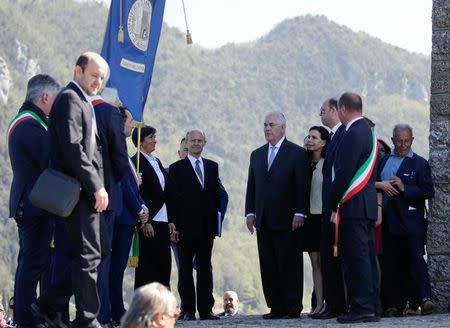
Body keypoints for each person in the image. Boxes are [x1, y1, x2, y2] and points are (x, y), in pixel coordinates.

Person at [33, 52, 110, 328]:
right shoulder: (69, 99)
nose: (98, 82)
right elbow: (73, 148)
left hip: (85, 193)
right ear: (78, 70)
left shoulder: (82, 101)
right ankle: (87, 319)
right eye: (94, 75)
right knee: (88, 255)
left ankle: (48, 305)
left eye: (102, 78)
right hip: (76, 191)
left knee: (95, 251)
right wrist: (96, 186)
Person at [7, 74, 60, 328]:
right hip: (33, 205)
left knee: (30, 262)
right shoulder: (29, 124)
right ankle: (26, 320)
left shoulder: (31, 122)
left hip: (35, 203)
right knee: (32, 264)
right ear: (46, 97)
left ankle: (27, 318)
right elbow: (48, 156)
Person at [245, 112, 307, 319]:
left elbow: (302, 187)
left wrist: (300, 212)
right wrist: (250, 212)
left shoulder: (297, 153)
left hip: (289, 220)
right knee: (268, 264)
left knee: (289, 264)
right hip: (263, 219)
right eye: (265, 125)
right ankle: (276, 306)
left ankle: (292, 306)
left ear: (283, 128)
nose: (267, 128)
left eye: (271, 125)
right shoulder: (257, 154)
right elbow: (252, 186)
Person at [330, 92, 379, 324]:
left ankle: (361, 307)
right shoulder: (368, 131)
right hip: (366, 205)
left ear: (342, 109)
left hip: (352, 206)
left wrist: (333, 204)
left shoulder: (352, 133)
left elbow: (344, 173)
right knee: (367, 257)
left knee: (357, 258)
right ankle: (371, 305)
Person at [377, 124, 435, 316]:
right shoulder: (383, 161)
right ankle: (393, 305)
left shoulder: (420, 163)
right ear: (392, 140)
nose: (403, 145)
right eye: (399, 141)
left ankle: (425, 299)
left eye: (406, 141)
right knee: (391, 263)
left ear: (412, 140)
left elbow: (428, 191)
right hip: (388, 221)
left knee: (416, 260)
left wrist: (404, 188)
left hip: (412, 222)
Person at [168, 129, 225, 321]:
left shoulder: (212, 166)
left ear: (204, 143)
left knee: (205, 269)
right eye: (192, 140)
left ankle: (206, 310)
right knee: (184, 270)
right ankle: (189, 310)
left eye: (199, 140)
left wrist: (216, 222)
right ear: (186, 144)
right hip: (184, 228)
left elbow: (217, 196)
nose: (196, 143)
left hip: (207, 228)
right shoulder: (176, 168)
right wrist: (173, 223)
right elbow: (172, 199)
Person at [91, 88, 129, 326]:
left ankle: (93, 314)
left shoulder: (78, 110)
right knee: (102, 260)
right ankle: (101, 315)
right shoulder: (109, 114)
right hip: (107, 197)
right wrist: (111, 182)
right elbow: (120, 160)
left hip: (84, 197)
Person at [109, 107, 149, 326]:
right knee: (114, 268)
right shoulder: (117, 144)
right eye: (130, 121)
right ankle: (113, 310)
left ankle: (116, 308)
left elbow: (131, 184)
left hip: (127, 215)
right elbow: (124, 183)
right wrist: (139, 208)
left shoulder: (120, 144)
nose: (133, 126)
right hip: (121, 216)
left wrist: (141, 204)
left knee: (118, 268)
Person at [132, 126, 175, 289]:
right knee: (147, 265)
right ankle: (144, 308)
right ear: (140, 142)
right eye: (150, 137)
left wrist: (171, 219)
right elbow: (139, 193)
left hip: (163, 219)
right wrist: (146, 221)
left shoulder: (156, 161)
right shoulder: (135, 162)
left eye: (154, 137)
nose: (154, 140)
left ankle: (162, 306)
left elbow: (166, 192)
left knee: (164, 264)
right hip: (149, 220)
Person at [316, 98, 347, 320]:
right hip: (329, 208)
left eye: (323, 110)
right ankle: (332, 303)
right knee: (327, 258)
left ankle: (339, 304)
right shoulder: (335, 136)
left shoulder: (344, 135)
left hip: (339, 208)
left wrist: (336, 206)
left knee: (336, 259)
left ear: (335, 110)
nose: (321, 114)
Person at [303, 126, 329, 317]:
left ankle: (332, 302)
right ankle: (319, 304)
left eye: (314, 137)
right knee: (315, 263)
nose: (310, 140)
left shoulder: (328, 163)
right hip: (308, 217)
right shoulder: (302, 162)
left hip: (325, 216)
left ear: (323, 142)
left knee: (328, 262)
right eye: (308, 136)